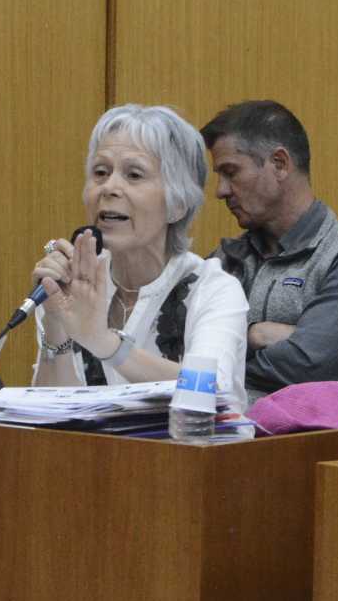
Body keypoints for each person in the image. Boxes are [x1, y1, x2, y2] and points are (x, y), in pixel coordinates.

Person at [30, 105, 248, 404]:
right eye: (100, 172)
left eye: (134, 175)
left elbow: (211, 391)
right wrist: (56, 320)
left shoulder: (213, 289)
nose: (110, 188)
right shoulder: (74, 284)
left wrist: (105, 344)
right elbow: (48, 412)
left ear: (178, 202)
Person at [201, 100, 338, 404]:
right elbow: (179, 345)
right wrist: (258, 334)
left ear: (280, 164)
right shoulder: (227, 258)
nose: (221, 190)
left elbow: (306, 366)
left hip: (319, 442)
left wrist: (217, 360)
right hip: (227, 435)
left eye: (231, 172)